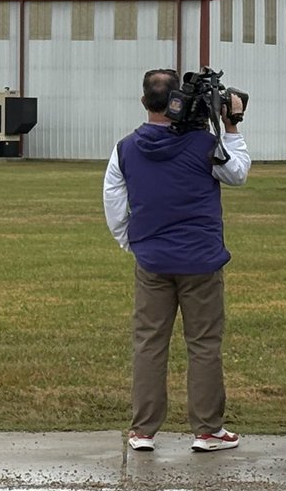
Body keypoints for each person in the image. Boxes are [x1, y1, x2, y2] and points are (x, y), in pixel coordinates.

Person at [102, 68, 250, 453]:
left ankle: (143, 430)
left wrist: (133, 244)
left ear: (143, 102)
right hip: (200, 259)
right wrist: (231, 126)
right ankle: (207, 430)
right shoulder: (204, 144)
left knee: (149, 343)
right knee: (203, 344)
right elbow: (237, 173)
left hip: (152, 260)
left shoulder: (125, 148)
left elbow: (114, 205)